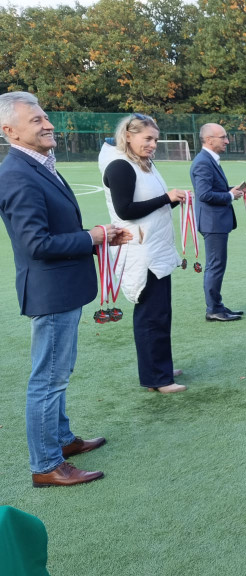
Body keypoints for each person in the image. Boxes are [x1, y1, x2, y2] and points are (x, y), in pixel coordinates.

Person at [0, 92, 132, 486]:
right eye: (36, 120)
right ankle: (46, 465)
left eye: (45, 117)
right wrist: (91, 235)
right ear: (9, 131)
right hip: (50, 290)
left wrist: (96, 236)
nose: (48, 124)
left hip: (62, 287)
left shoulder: (36, 165)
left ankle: (61, 440)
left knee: (58, 372)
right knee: (48, 378)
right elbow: (35, 244)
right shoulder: (17, 173)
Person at [101, 113, 190, 394]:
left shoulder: (143, 165)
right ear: (128, 135)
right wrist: (167, 197)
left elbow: (151, 208)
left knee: (160, 314)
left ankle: (159, 367)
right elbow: (125, 210)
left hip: (156, 249)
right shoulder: (120, 166)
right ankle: (157, 377)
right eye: (147, 138)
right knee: (151, 316)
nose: (153, 144)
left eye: (155, 139)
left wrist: (174, 200)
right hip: (141, 252)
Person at [191, 123, 246, 322]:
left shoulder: (209, 160)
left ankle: (217, 305)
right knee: (215, 266)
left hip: (215, 221)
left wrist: (233, 190)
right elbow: (204, 194)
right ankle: (213, 309)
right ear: (209, 139)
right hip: (212, 222)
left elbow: (214, 189)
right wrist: (230, 196)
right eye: (223, 137)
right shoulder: (203, 162)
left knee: (217, 265)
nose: (227, 141)